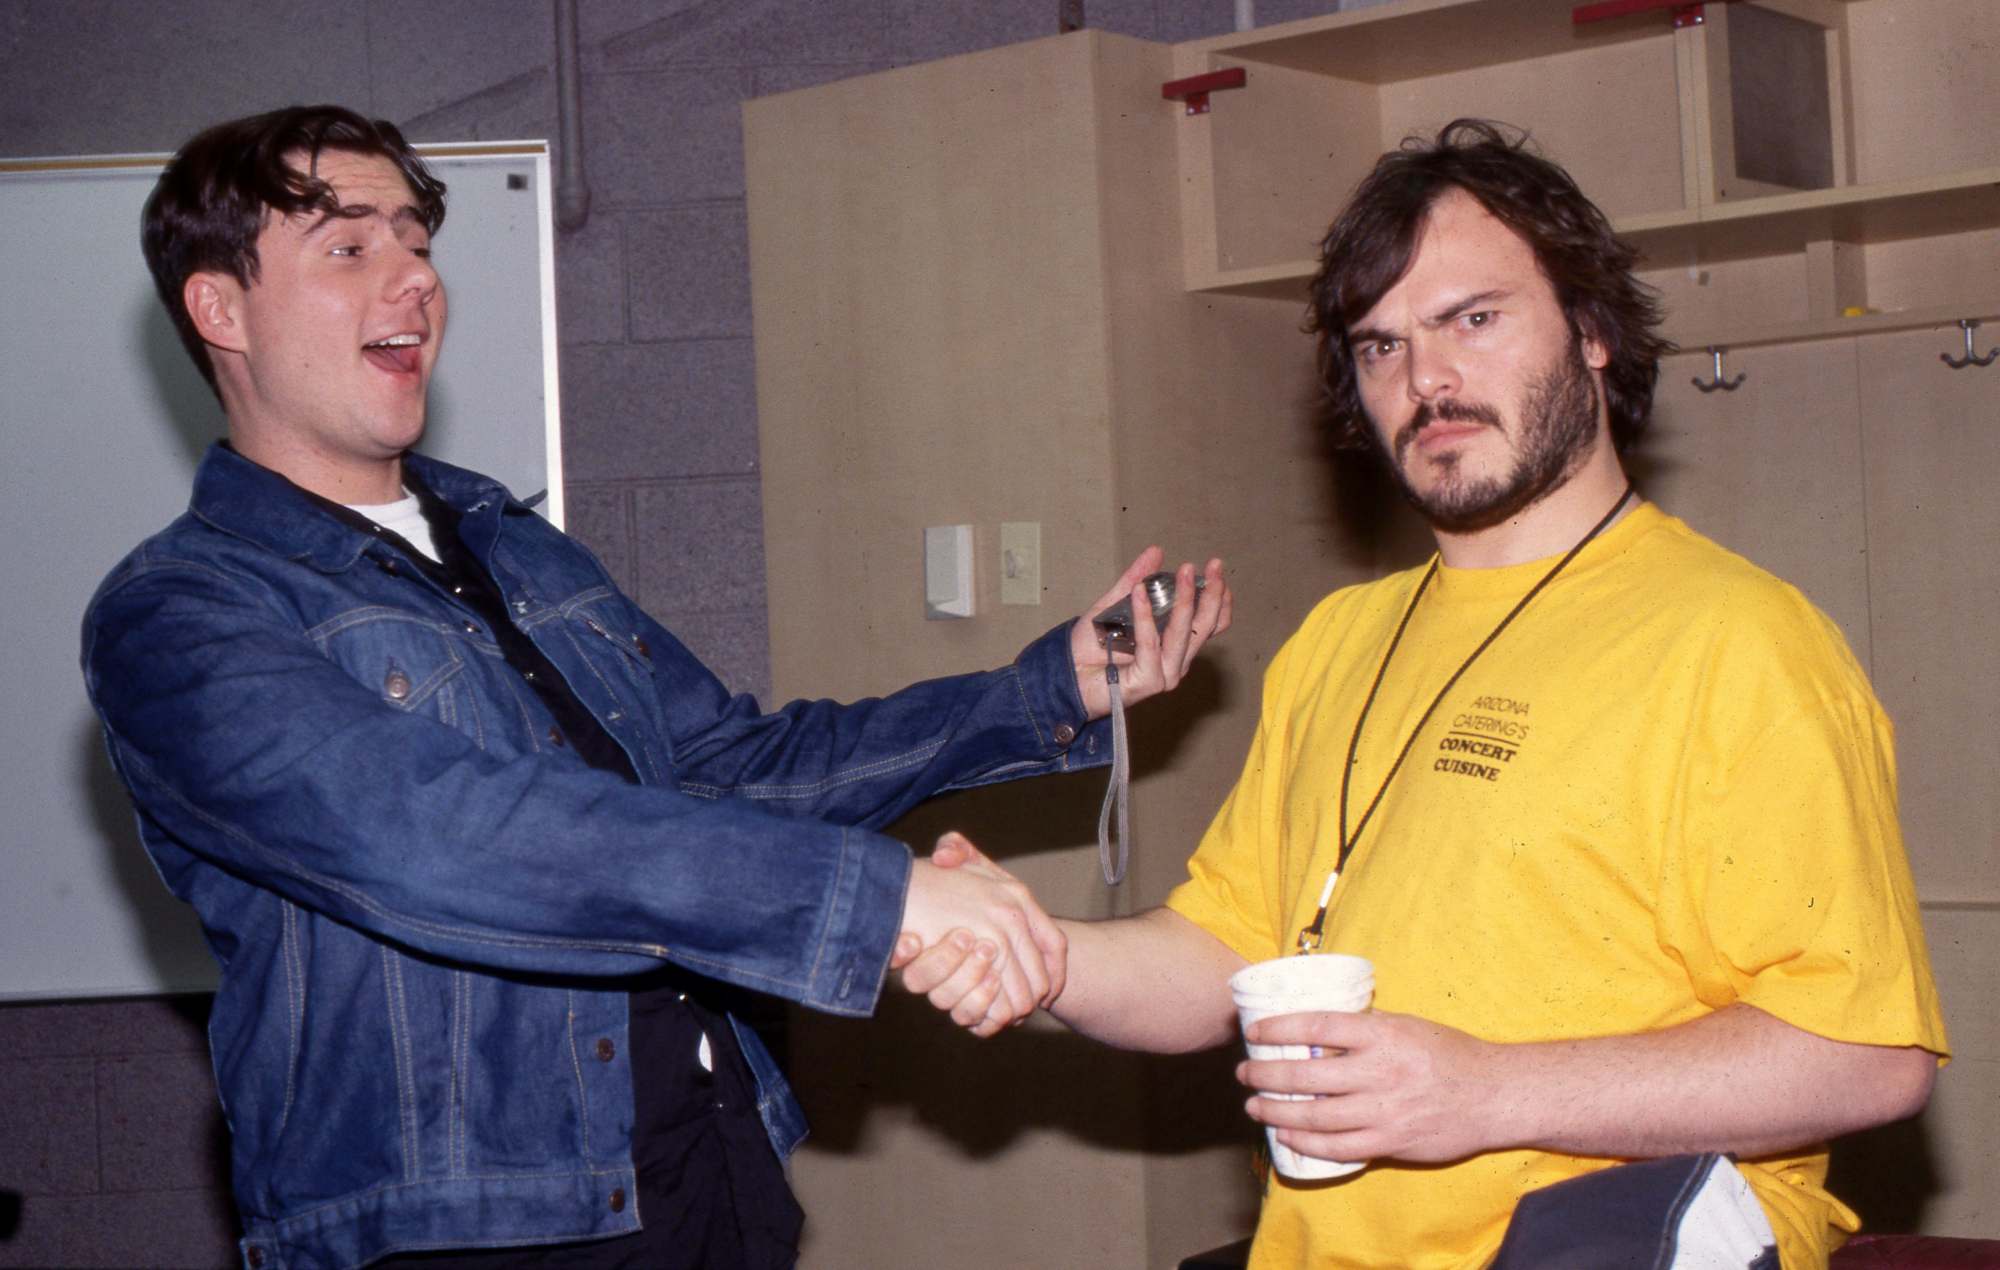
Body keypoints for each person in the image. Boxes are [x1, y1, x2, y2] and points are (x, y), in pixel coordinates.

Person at [80, 104, 1232, 1270]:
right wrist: (878, 897)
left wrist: (1042, 690)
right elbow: (442, 832)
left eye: (418, 242)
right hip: (471, 1235)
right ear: (219, 308)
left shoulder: (517, 548)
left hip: (706, 1170)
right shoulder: (180, 615)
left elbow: (732, 773)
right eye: (350, 246)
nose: (414, 280)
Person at [903, 119, 1947, 1269]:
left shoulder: (1737, 640)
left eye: (1473, 319)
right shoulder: (1339, 639)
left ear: (1592, 331)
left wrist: (1485, 1092)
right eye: (1380, 345)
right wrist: (1035, 947)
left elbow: (1863, 1054)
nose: (1427, 380)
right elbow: (1224, 951)